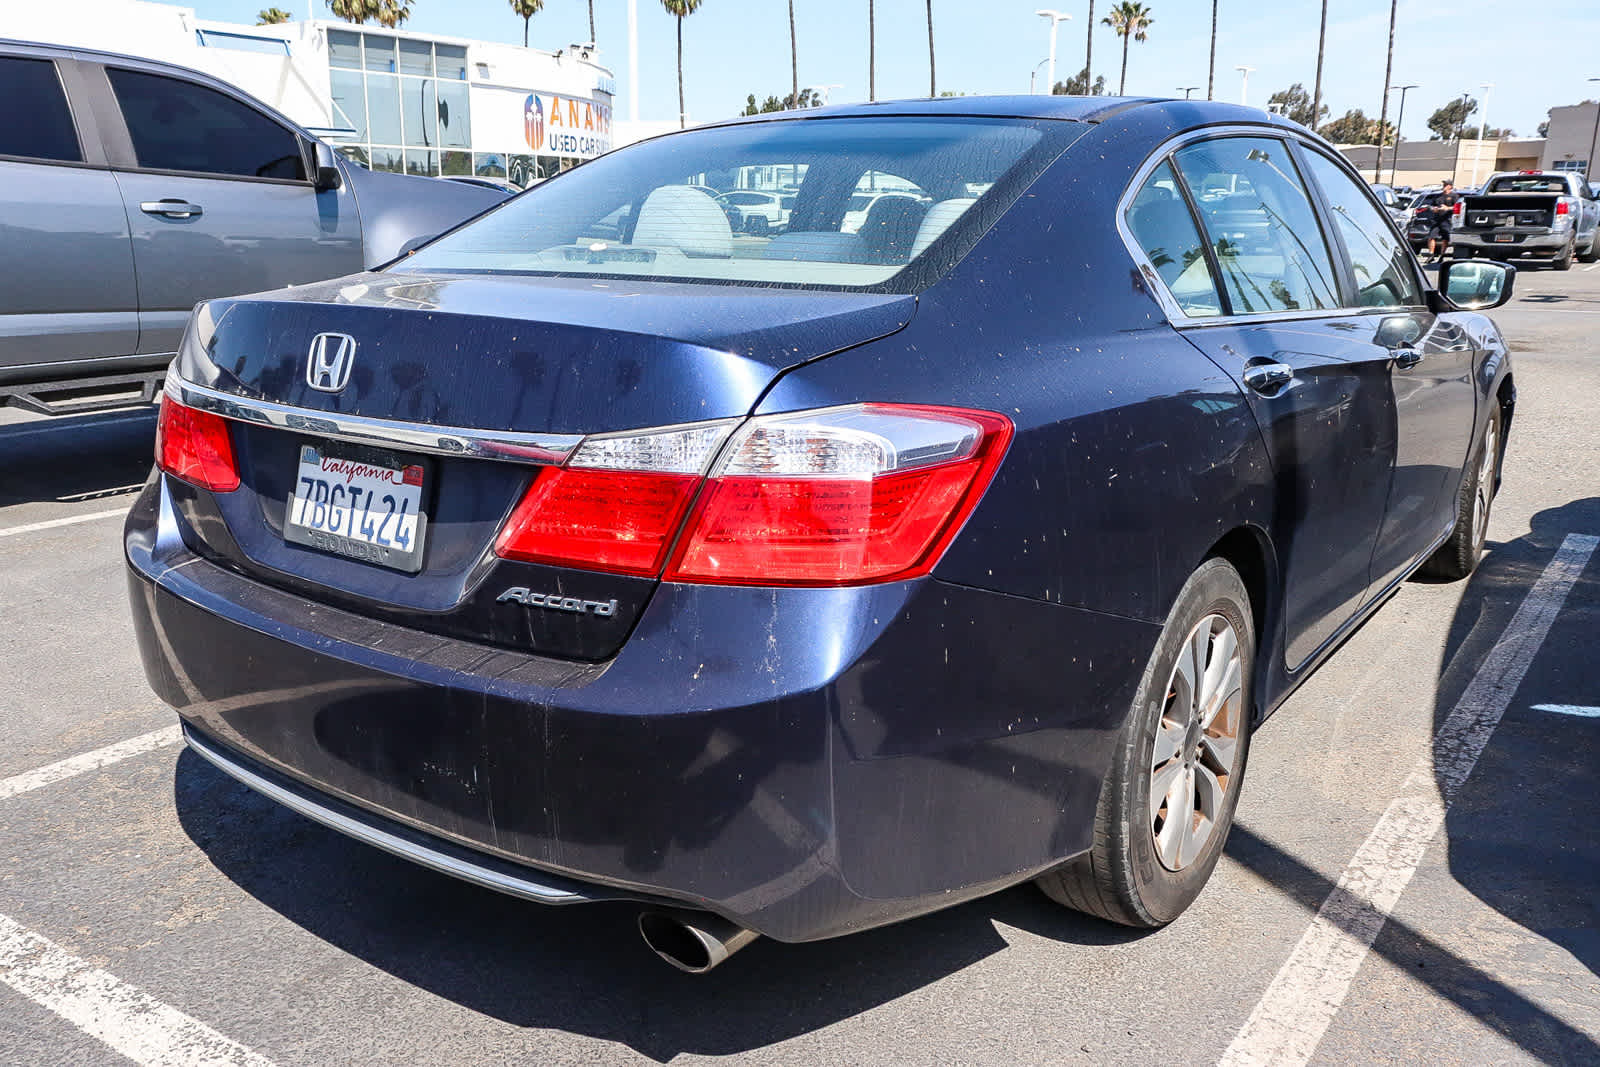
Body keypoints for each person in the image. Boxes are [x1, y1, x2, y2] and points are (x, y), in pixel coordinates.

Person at [1426, 180, 1459, 264]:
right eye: (1443, 184)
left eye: (1446, 184)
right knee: (1431, 236)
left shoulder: (1454, 196)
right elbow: (1430, 206)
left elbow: (1456, 207)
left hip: (1447, 220)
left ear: (1450, 186)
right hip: (1437, 219)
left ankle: (1442, 255)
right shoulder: (1439, 196)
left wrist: (1447, 208)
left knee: (1445, 238)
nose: (1444, 185)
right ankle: (1431, 255)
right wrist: (1433, 209)